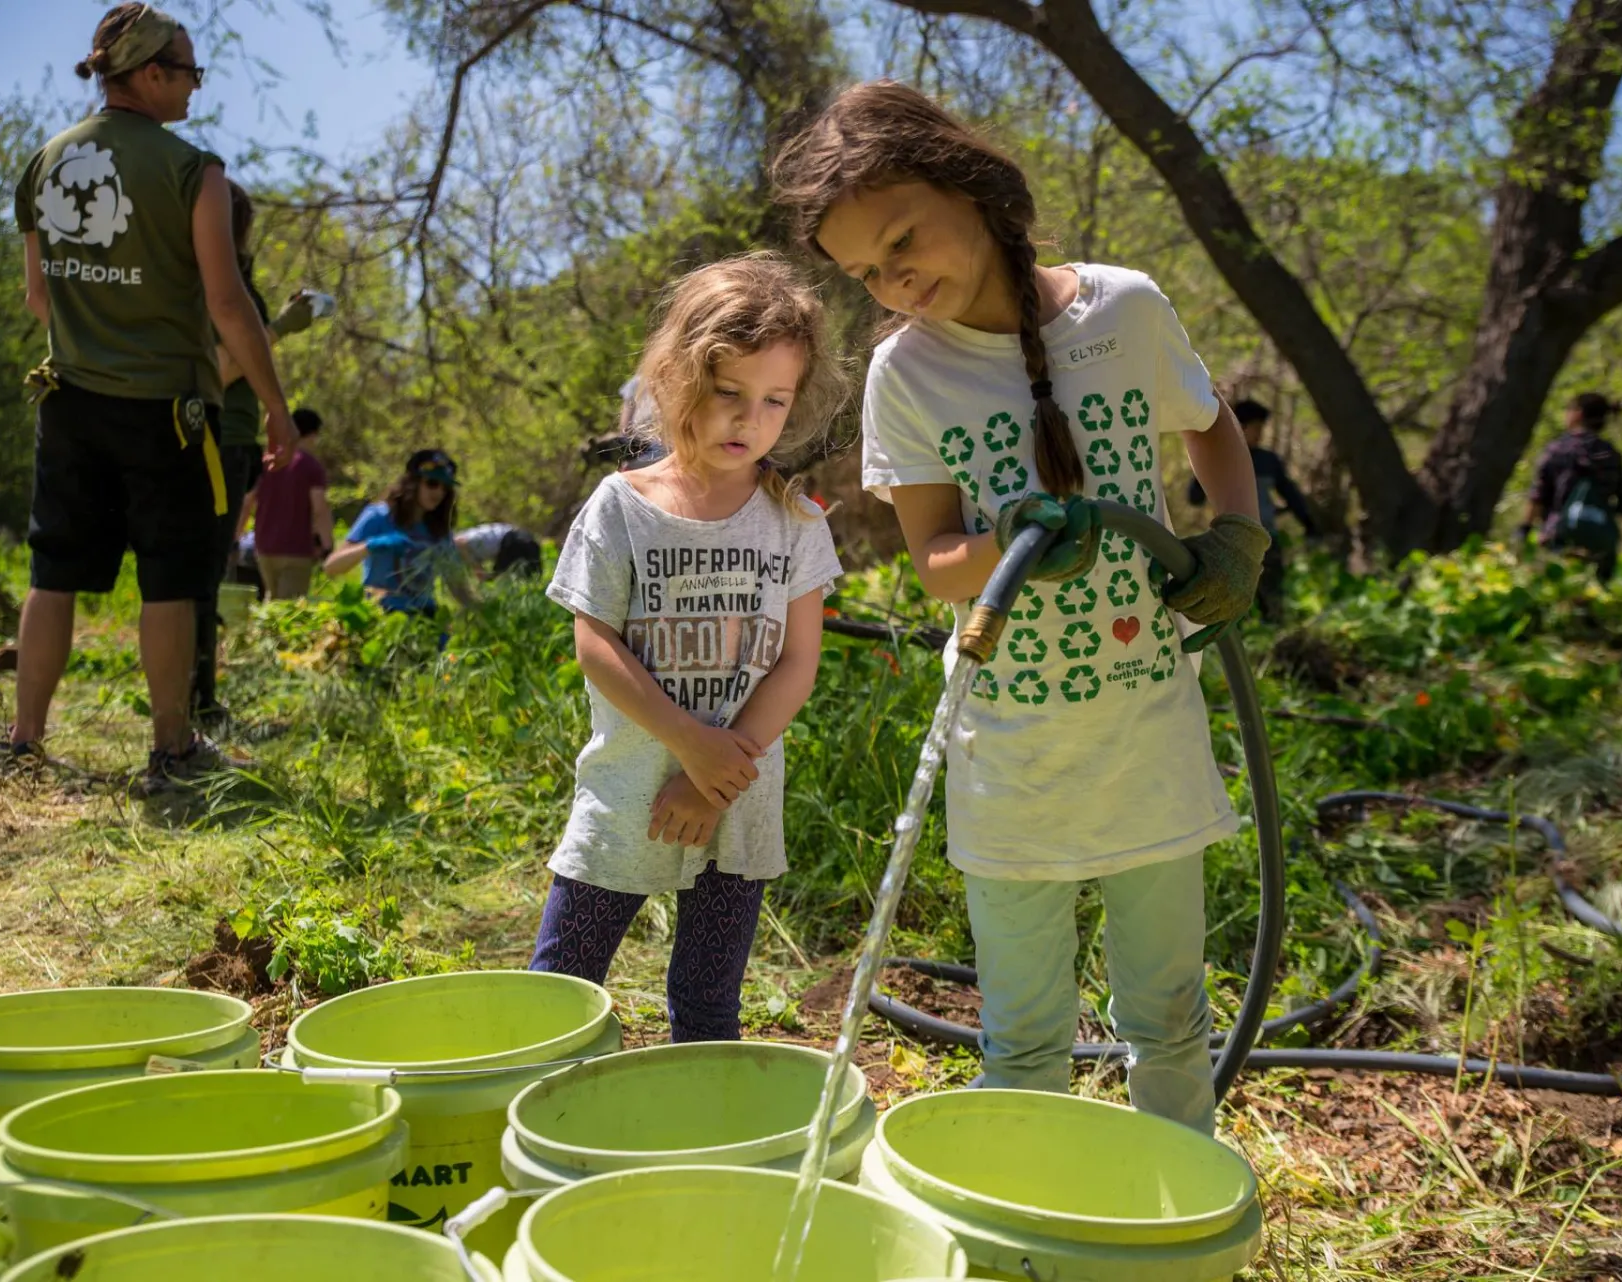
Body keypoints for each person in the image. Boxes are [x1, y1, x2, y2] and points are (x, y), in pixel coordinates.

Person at [772, 82, 1265, 1134]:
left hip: (1148, 739)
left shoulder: (1123, 308)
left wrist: (1237, 533)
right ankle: (1032, 1223)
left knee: (1170, 1018)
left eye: (904, 238)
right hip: (1013, 760)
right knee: (1025, 1035)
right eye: (869, 270)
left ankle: (1165, 1222)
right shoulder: (907, 373)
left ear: (973, 186)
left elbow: (1211, 422)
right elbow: (939, 565)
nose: (897, 278)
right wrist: (1016, 548)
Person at [528, 252, 846, 1042]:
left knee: (708, 1007)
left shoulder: (796, 519)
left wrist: (712, 779)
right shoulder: (622, 507)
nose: (750, 419)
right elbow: (594, 641)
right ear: (677, 381)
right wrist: (686, 744)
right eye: (729, 393)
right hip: (627, 793)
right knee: (561, 987)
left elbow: (797, 663)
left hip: (737, 805)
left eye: (775, 401)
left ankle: (703, 1147)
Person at [0, 2, 296, 788]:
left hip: (69, 402)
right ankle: (172, 751)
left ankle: (23, 743)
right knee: (169, 580)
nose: (195, 85)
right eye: (189, 70)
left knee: (51, 572)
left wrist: (97, 333)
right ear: (151, 73)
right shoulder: (197, 171)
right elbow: (230, 306)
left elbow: (36, 300)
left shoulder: (46, 160)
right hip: (168, 412)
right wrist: (276, 408)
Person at [193, 181, 319, 719]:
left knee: (205, 568)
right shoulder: (208, 288)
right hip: (211, 442)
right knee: (197, 572)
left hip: (233, 442)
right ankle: (195, 705)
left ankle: (196, 699)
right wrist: (278, 329)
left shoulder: (229, 285)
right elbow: (218, 371)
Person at [1188, 399, 1315, 622]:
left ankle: (1272, 639)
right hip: (1230, 541)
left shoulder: (1269, 461)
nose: (1260, 434)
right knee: (1234, 601)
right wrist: (1209, 461)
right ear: (1241, 426)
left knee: (1273, 596)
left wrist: (1308, 523)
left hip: (1267, 539)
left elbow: (1290, 493)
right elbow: (1194, 498)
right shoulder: (1220, 456)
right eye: (1256, 428)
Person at [322, 449, 476, 615]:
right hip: (381, 612)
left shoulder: (440, 531)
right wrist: (370, 545)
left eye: (445, 488)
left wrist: (487, 610)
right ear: (413, 483)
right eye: (432, 483)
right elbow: (332, 566)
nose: (438, 492)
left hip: (423, 615)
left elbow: (458, 587)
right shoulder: (379, 516)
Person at [1525, 391, 1622, 584]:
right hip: (1599, 538)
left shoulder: (1558, 449)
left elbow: (1538, 495)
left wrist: (1525, 528)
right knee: (1596, 594)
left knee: (1555, 592)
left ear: (1578, 413)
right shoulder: (1611, 454)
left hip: (1558, 535)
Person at [243, 407, 332, 599]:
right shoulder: (311, 467)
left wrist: (237, 533)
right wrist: (327, 545)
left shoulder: (268, 461)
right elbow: (319, 509)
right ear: (313, 434)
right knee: (289, 607)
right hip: (296, 548)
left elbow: (248, 500)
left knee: (271, 598)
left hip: (264, 546)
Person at [452, 522, 543, 579]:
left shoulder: (457, 542)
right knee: (531, 577)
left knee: (499, 579)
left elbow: (459, 542)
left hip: (511, 542)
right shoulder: (471, 541)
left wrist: (477, 567)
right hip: (519, 537)